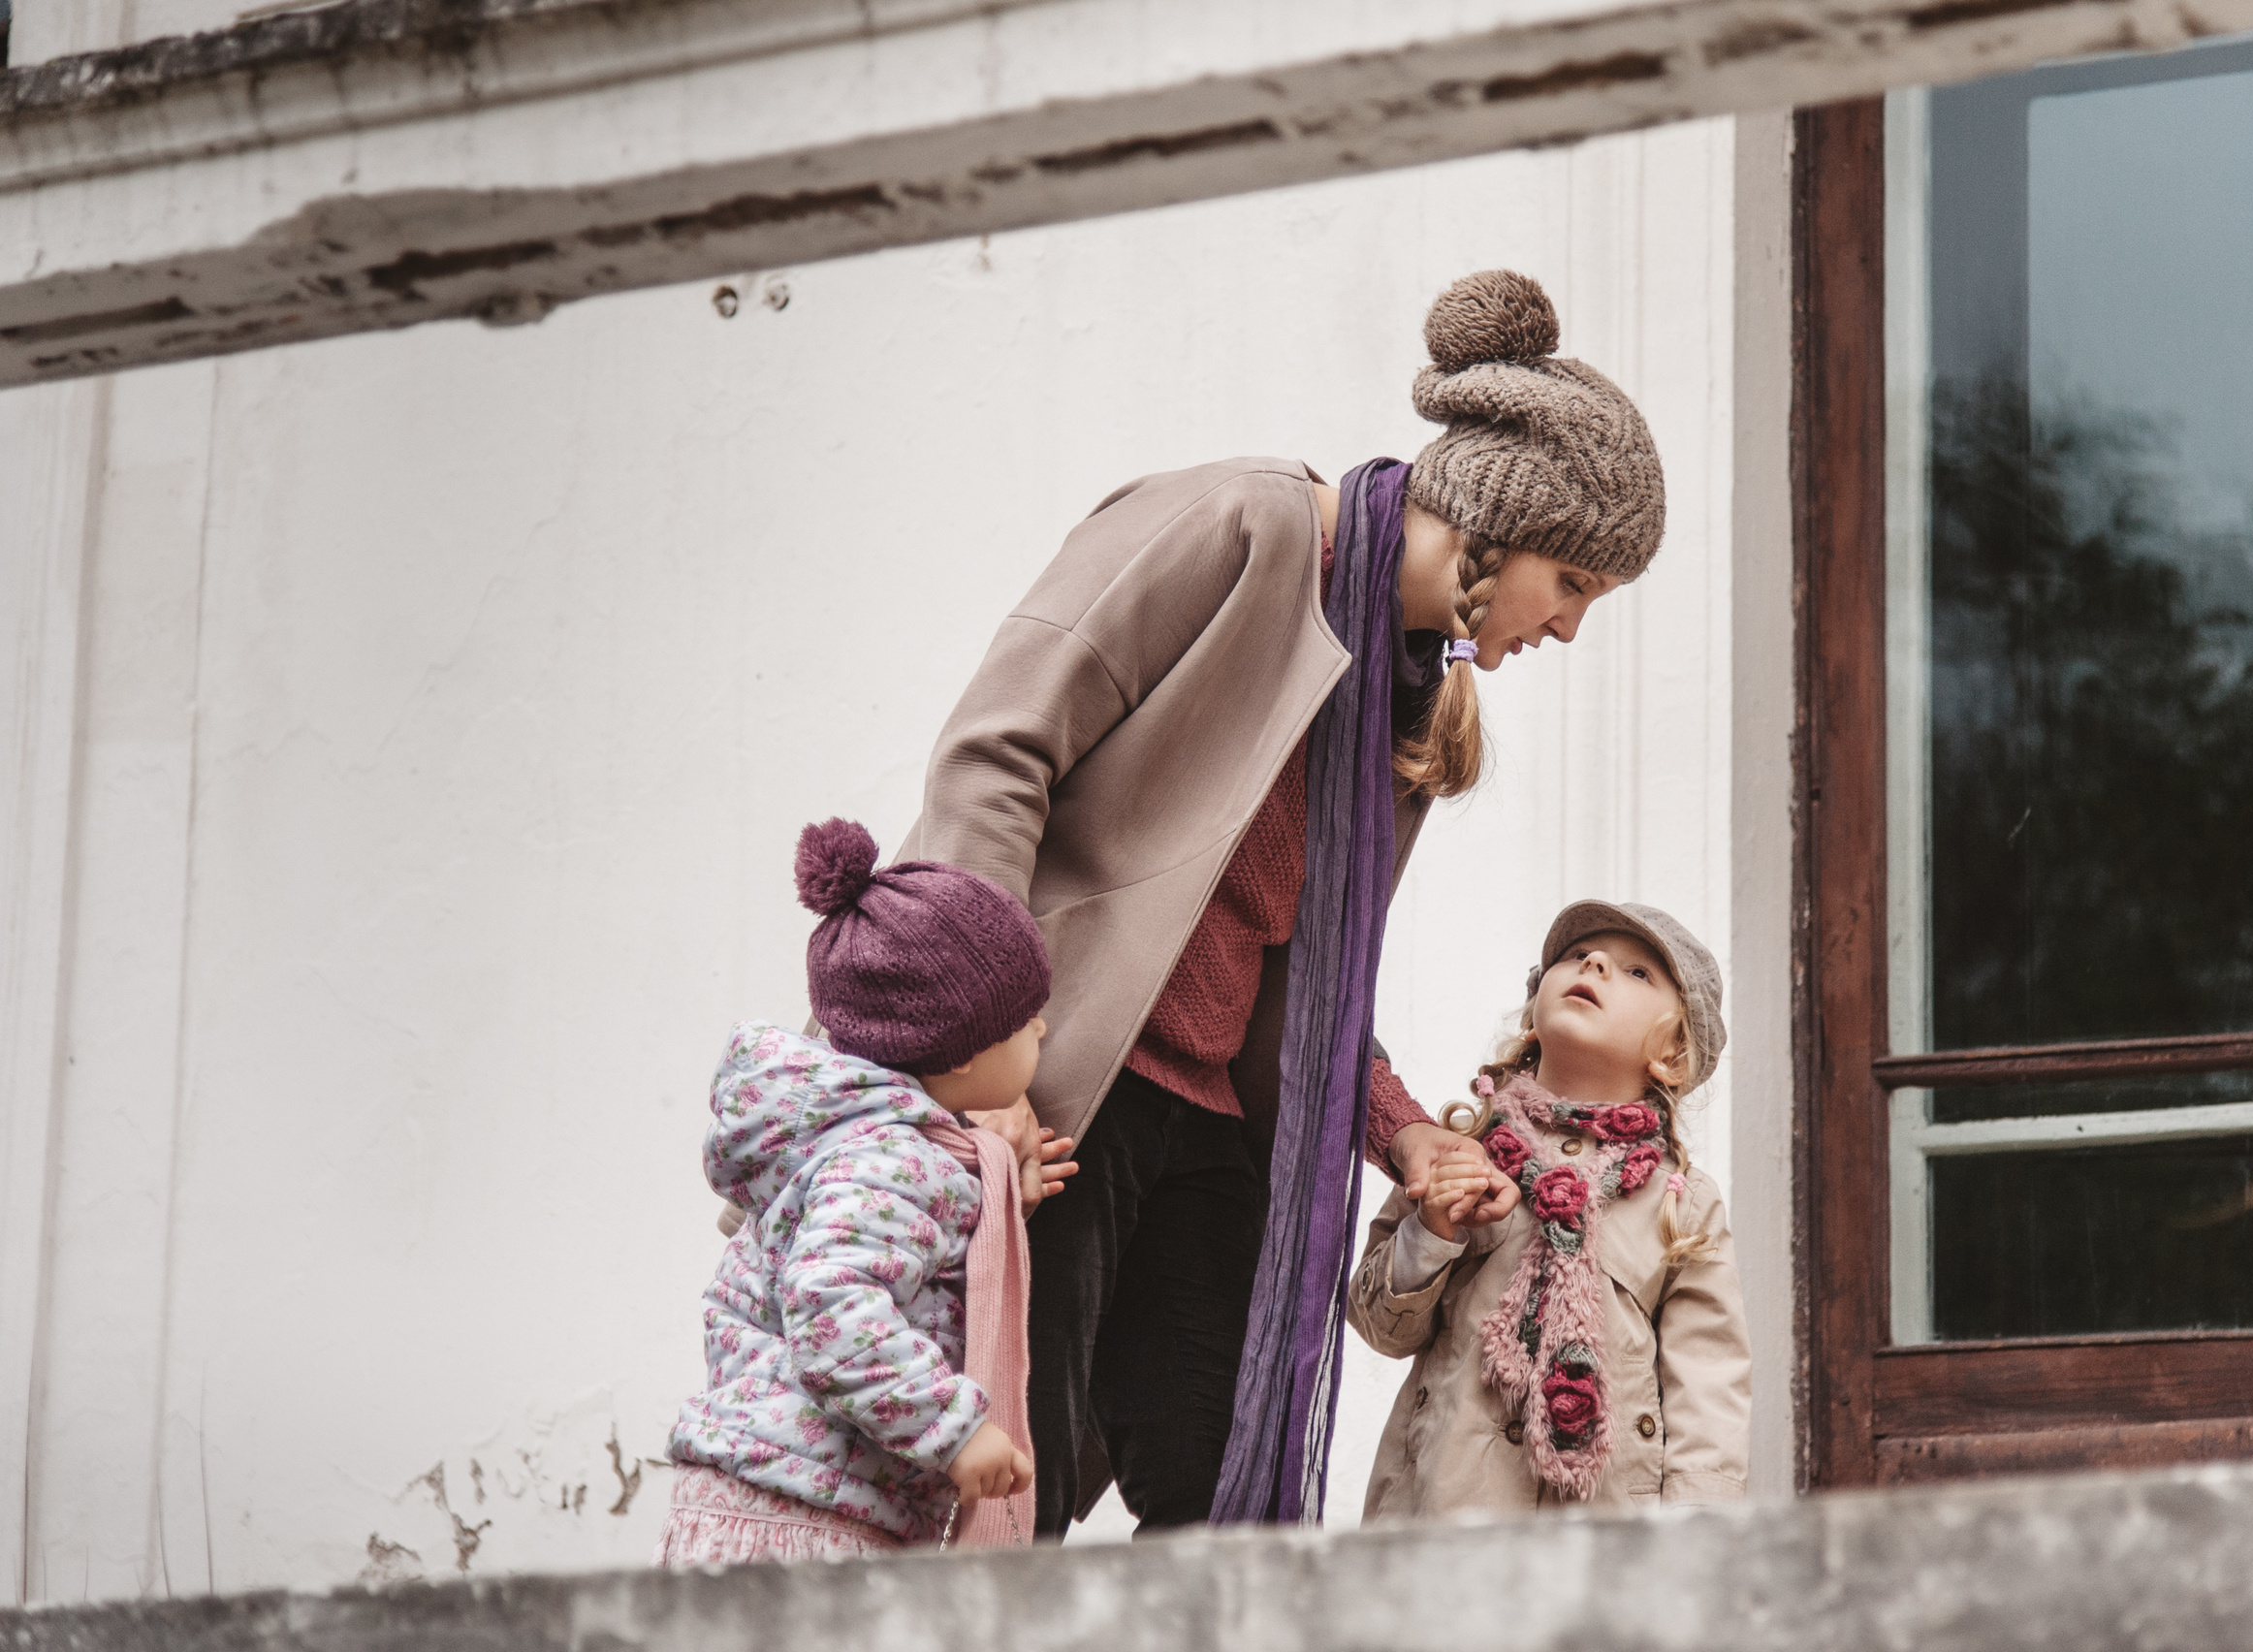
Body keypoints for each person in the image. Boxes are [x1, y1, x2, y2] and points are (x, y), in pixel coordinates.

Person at [902, 270, 1673, 1533]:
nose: (1570, 629)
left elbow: (1300, 980)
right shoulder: (1242, 524)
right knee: (1005, 1501)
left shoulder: (1402, 701)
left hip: (1207, 1125)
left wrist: (1407, 1137)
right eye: (1576, 584)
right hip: (1054, 1092)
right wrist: (978, 1058)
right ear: (1503, 525)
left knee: (1230, 1515)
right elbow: (994, 758)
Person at [655, 818, 1072, 1564]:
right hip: (803, 1519)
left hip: (788, 1492)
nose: (1041, 1030)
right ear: (960, 1050)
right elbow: (831, 1307)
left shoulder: (857, 1144)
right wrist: (952, 1428)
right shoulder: (890, 1160)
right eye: (1023, 1020)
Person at [1348, 900, 1750, 1516]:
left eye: (1637, 972)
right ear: (1534, 1015)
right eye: (1576, 955)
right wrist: (1431, 1231)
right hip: (1441, 1520)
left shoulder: (1682, 1202)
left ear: (1671, 1054)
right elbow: (1381, 1327)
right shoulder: (1459, 1149)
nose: (1594, 962)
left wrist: (1695, 1534)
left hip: (1604, 1542)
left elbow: (1709, 1386)